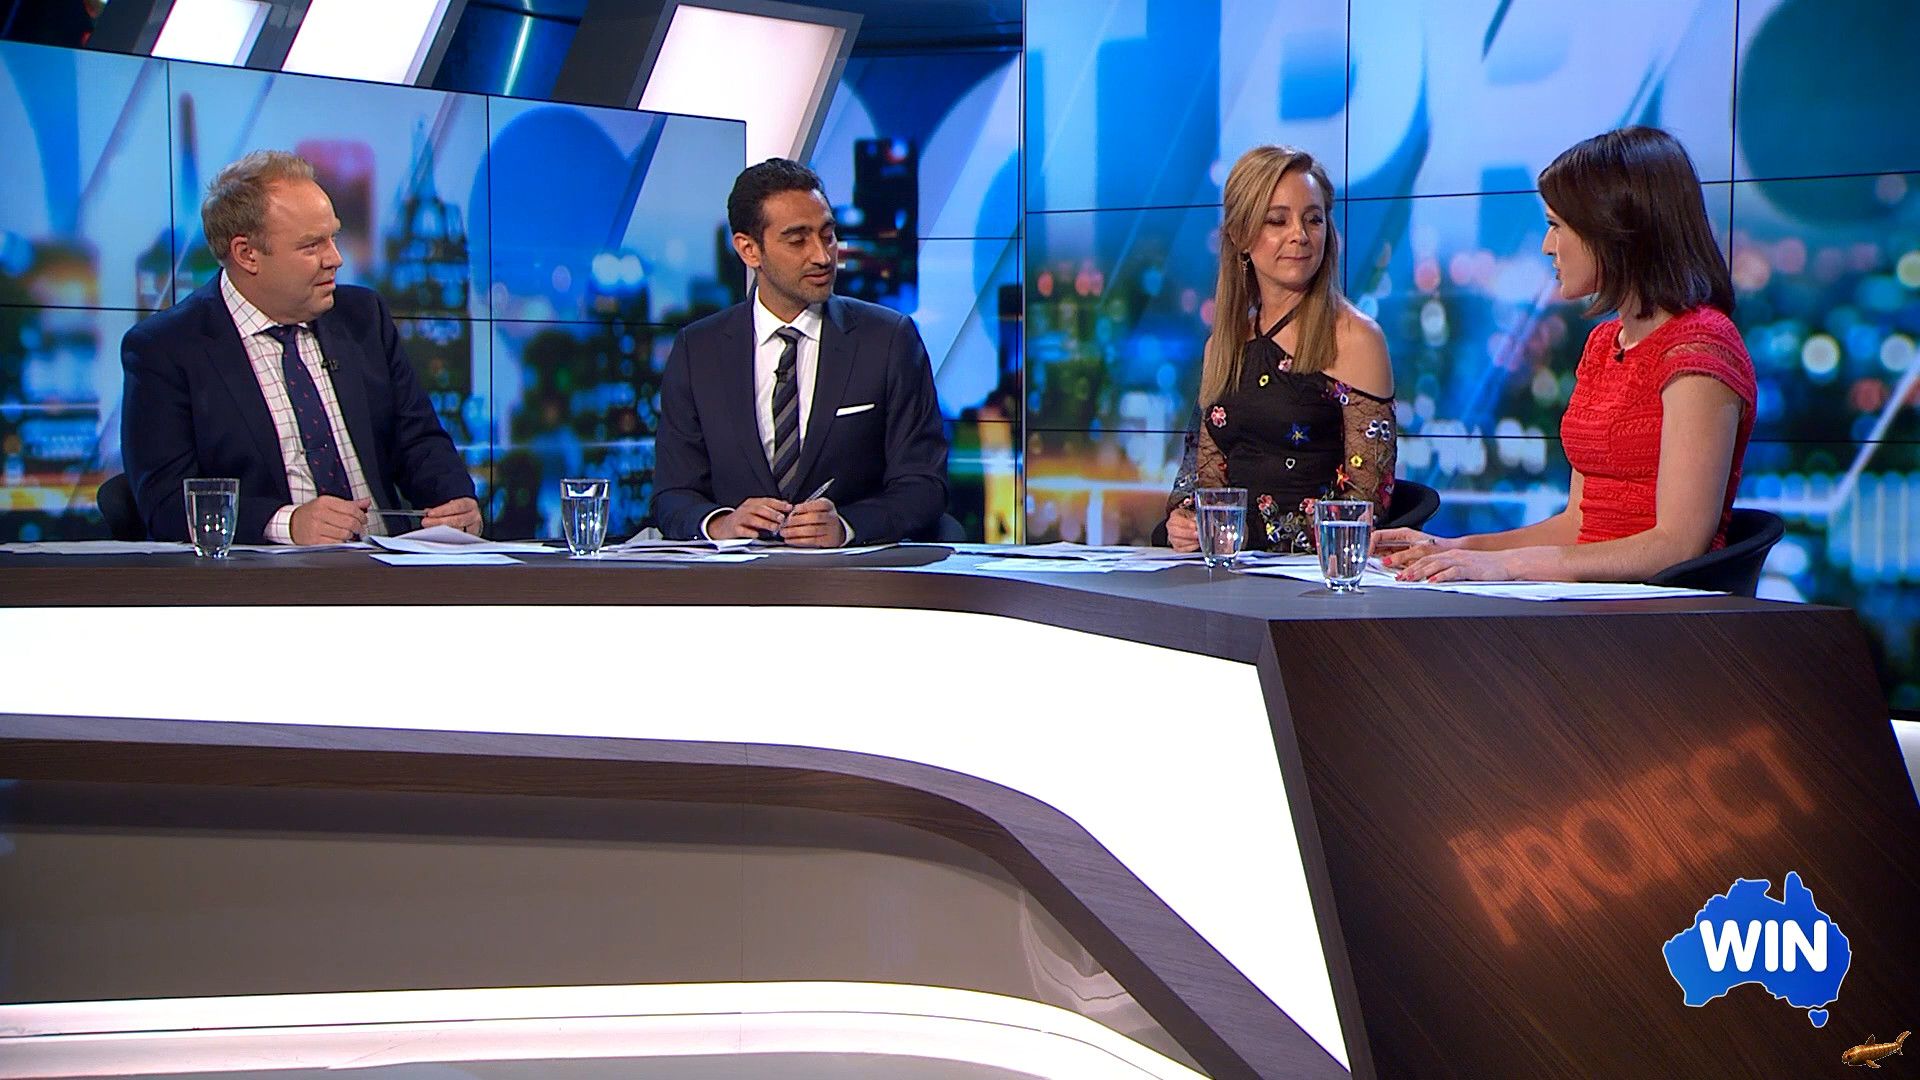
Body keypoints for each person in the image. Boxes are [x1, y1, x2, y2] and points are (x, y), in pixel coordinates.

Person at [1378, 126, 1755, 583]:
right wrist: (1454, 550)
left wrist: (1509, 567)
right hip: (1587, 596)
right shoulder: (1603, 344)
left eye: (1557, 226)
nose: (1547, 246)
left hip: (1655, 607)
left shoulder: (1700, 347)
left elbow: (1677, 544)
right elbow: (1578, 524)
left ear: (1614, 229)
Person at [120, 150, 479, 544]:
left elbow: (419, 440)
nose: (335, 259)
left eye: (333, 237)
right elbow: (166, 503)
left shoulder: (363, 317)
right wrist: (287, 524)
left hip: (387, 561)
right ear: (247, 254)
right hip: (270, 575)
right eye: (312, 246)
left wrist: (454, 500)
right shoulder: (166, 349)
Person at [651, 158, 948, 546]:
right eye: (797, 241)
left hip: (852, 576)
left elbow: (924, 485)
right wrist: (721, 524)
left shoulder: (889, 340)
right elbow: (673, 494)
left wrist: (846, 526)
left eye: (828, 235)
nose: (822, 256)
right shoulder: (698, 350)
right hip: (736, 578)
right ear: (749, 250)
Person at [1163, 145, 1395, 552]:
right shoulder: (1223, 344)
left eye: (1313, 219)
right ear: (1240, 235)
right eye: (1277, 220)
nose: (1300, 236)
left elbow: (1366, 506)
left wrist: (1241, 534)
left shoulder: (1357, 339)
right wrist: (1184, 520)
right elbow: (1200, 478)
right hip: (1224, 564)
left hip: (1314, 573)